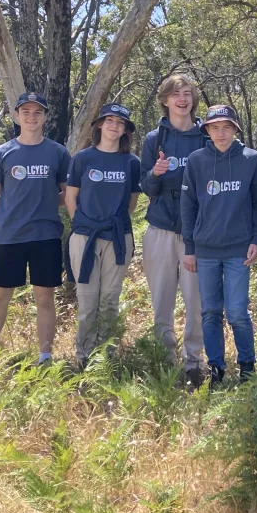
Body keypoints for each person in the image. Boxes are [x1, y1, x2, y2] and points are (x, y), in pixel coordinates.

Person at [179, 105, 257, 386]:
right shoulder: (196, 160)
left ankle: (247, 369)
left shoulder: (251, 159)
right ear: (207, 130)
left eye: (226, 127)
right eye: (215, 127)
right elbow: (188, 205)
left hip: (238, 250)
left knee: (238, 311)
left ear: (235, 130)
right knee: (210, 312)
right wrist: (190, 247)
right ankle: (216, 370)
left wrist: (256, 239)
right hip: (205, 250)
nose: (221, 133)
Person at [0, 92, 71, 364]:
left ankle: (45, 356)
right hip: (10, 238)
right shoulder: (2, 153)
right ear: (16, 116)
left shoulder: (58, 152)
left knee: (44, 298)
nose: (32, 117)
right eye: (26, 112)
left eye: (37, 112)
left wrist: (44, 208)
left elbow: (67, 194)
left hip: (46, 237)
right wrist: (11, 213)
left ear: (45, 117)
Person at [139, 73, 209, 387]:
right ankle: (165, 359)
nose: (182, 99)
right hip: (161, 230)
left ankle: (194, 363)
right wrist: (155, 173)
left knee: (196, 302)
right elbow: (145, 188)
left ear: (193, 100)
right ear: (165, 100)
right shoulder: (155, 140)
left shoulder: (207, 137)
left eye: (187, 93)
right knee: (162, 302)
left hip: (196, 234)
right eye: (175, 93)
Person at [65, 104, 142, 366]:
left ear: (125, 131)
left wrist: (115, 223)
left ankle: (106, 354)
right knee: (87, 300)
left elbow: (132, 202)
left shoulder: (132, 162)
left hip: (118, 238)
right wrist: (81, 225)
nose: (114, 126)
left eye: (120, 123)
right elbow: (71, 196)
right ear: (99, 125)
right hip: (84, 237)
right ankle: (83, 355)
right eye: (109, 120)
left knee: (110, 299)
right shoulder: (83, 158)